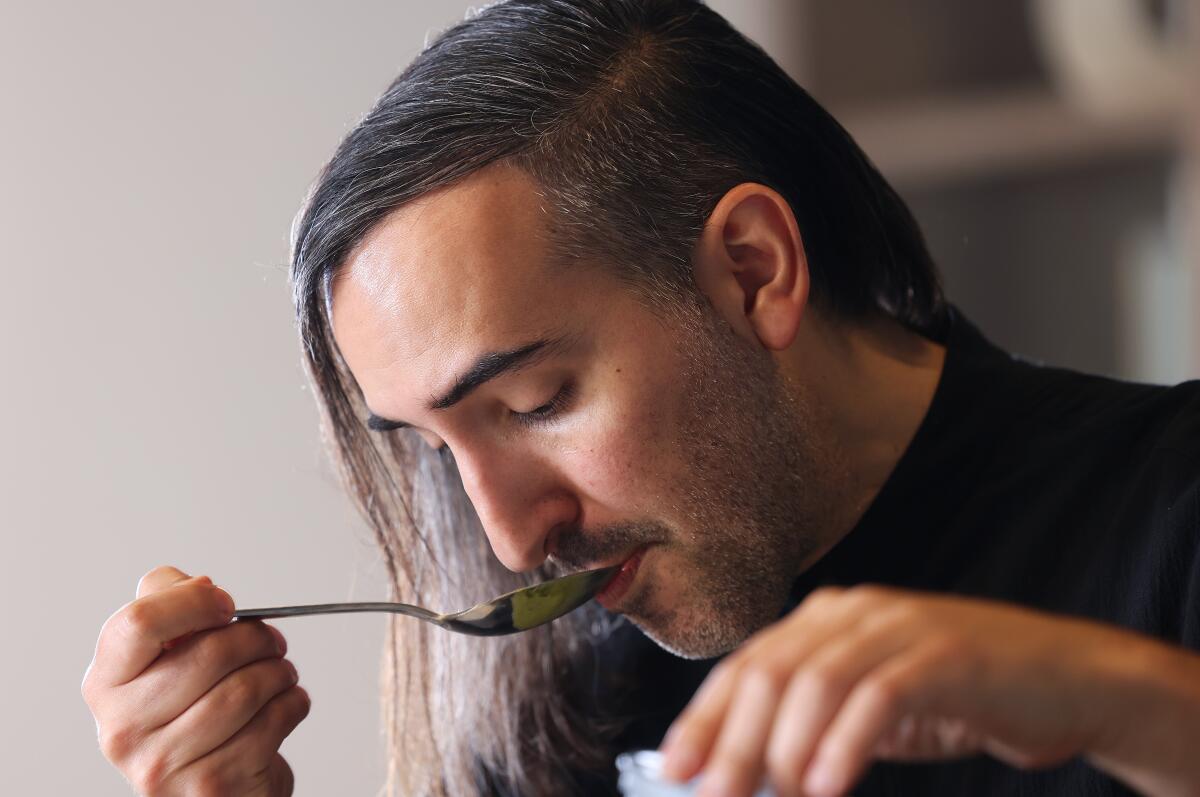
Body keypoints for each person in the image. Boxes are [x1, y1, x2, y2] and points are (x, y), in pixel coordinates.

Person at [82, 1, 1200, 795]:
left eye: (534, 400)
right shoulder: (570, 696)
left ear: (754, 267)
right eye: (433, 445)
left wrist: (1122, 700)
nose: (512, 540)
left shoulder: (1172, 507)